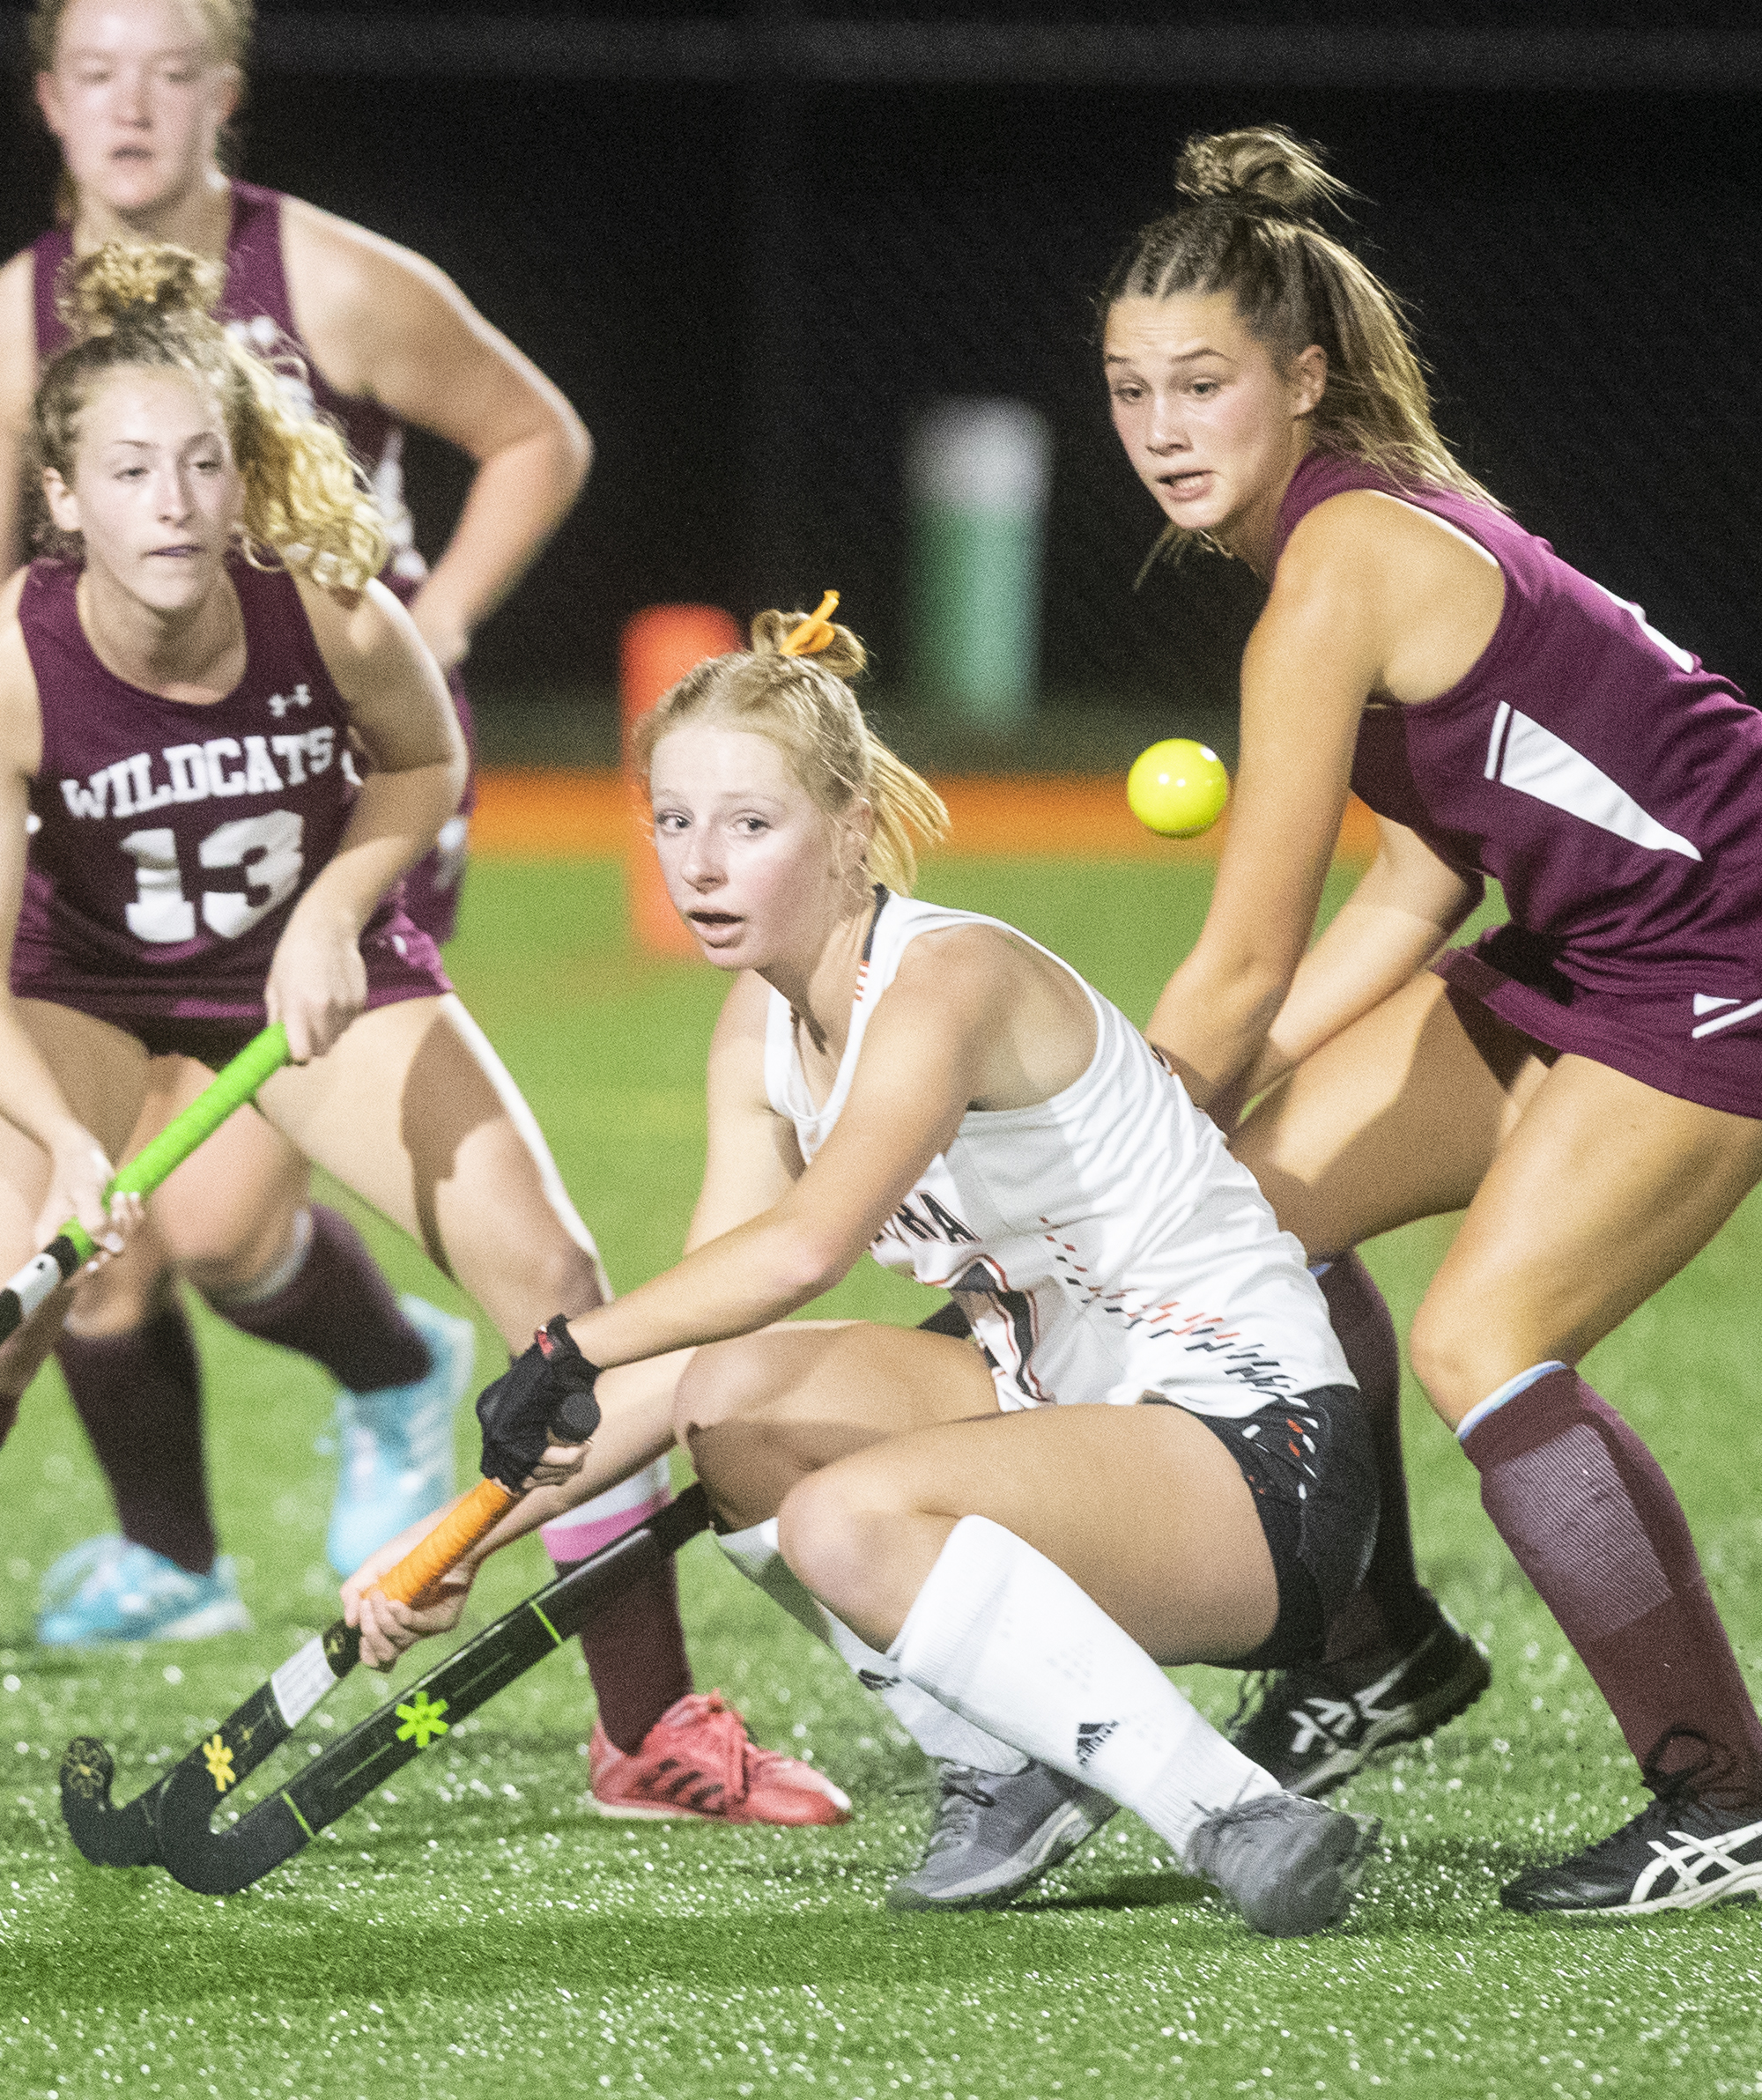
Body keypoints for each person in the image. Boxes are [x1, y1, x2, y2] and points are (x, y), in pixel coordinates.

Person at [0, 246, 843, 1832]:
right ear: (64, 497)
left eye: (202, 460)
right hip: (72, 982)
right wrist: (70, 1151)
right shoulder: (5, 674)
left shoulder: (329, 605)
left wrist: (335, 912)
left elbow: (420, 765)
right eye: (130, 470)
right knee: (5, 1295)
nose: (174, 501)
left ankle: (650, 1729)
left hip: (306, 964)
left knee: (556, 1281)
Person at [0, 0, 709, 1793]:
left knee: (215, 1217)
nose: (130, 107)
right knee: (118, 1226)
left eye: (167, 71)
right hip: (124, 822)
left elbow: (535, 437)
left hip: (331, 803)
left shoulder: (327, 279)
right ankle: (190, 1537)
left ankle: (440, 1438)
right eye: (94, 73)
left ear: (223, 96)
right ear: (47, 99)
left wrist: (418, 631)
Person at [1099, 127, 1762, 1915]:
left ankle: (1734, 1799)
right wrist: (1199, 1126)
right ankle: (1370, 1647)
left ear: (1299, 381)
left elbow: (1232, 969)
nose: (1158, 426)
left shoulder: (1333, 575)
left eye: (1200, 384)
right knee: (1245, 1213)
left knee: (1481, 1337)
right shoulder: (1356, 524)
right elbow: (1412, 885)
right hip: (1598, 943)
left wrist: (1103, 1142)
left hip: (1738, 942)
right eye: (1130, 388)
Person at [346, 607, 1383, 1938]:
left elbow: (802, 1248)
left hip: (1263, 1461)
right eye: (672, 822)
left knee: (848, 1518)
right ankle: (1005, 1761)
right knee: (737, 1408)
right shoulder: (759, 1030)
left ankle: (1231, 1807)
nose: (700, 866)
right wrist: (451, 1545)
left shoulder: (947, 980)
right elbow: (689, 1351)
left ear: (847, 831)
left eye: (750, 825)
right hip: (1067, 1416)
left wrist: (573, 1345)